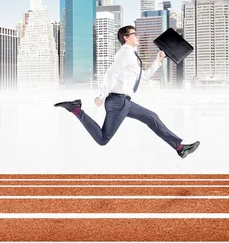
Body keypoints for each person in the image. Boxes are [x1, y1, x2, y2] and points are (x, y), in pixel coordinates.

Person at [54, 25, 200, 158]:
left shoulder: (132, 55)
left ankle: (180, 148)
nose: (137, 36)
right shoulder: (125, 53)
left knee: (151, 117)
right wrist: (101, 96)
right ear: (126, 37)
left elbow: (144, 76)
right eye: (134, 34)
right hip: (118, 102)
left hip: (125, 102)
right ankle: (76, 109)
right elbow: (111, 74)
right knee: (103, 139)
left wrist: (158, 61)